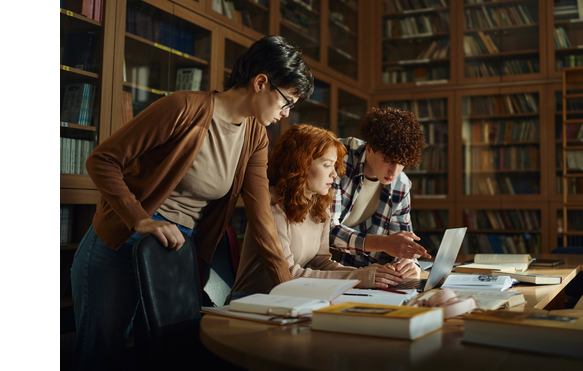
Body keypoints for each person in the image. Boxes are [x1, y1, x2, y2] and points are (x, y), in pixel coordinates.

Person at [70, 35, 313, 370]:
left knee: (160, 353)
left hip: (176, 250)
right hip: (124, 239)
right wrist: (140, 219)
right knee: (102, 352)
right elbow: (102, 160)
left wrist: (289, 288)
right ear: (260, 83)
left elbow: (261, 218)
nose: (286, 114)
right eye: (286, 102)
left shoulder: (256, 135)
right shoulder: (183, 107)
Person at [229, 124, 404, 300]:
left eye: (335, 166)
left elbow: (321, 262)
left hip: (292, 298)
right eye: (327, 165)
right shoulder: (272, 200)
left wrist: (370, 274)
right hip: (251, 299)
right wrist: (361, 277)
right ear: (301, 164)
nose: (335, 174)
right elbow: (289, 273)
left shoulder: (319, 202)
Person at [330, 106, 432, 278]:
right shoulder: (337, 158)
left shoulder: (401, 185)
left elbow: (401, 238)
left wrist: (409, 264)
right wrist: (382, 243)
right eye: (388, 161)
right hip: (314, 266)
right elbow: (325, 231)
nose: (394, 172)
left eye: (402, 163)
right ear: (369, 148)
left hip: (357, 272)